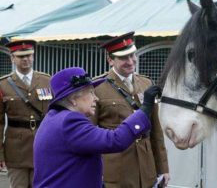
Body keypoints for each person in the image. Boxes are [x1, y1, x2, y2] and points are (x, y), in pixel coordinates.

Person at [33, 67, 161, 188]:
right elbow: (114, 140)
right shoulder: (69, 122)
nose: (96, 98)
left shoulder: (54, 118)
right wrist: (145, 109)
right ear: (73, 99)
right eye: (91, 93)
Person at [91, 32, 170, 188]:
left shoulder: (145, 83)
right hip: (116, 169)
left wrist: (163, 168)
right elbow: (91, 135)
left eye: (132, 55)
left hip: (146, 168)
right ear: (110, 60)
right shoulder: (97, 87)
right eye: (123, 58)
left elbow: (156, 131)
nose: (130, 61)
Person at [0, 39, 51, 188]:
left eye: (29, 55)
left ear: (34, 56)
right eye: (21, 56)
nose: (26, 59)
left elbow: (56, 114)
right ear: (12, 58)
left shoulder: (46, 81)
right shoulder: (3, 85)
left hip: (43, 145)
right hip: (16, 150)